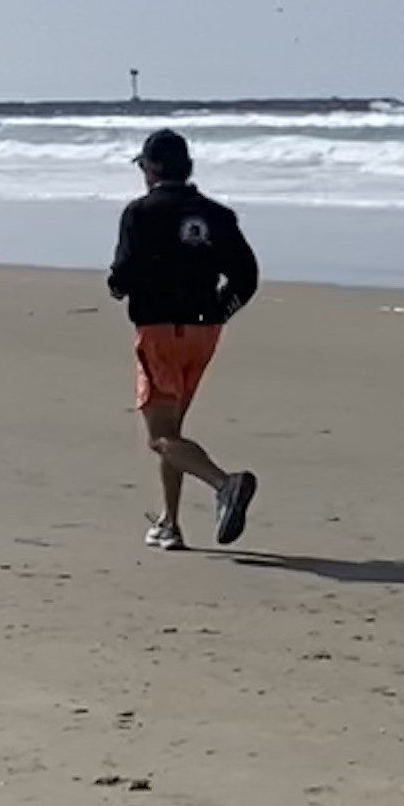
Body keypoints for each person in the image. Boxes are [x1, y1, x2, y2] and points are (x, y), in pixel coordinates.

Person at [106, 126, 260, 550]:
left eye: (143, 165)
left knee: (160, 436)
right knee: (173, 433)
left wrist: (118, 288)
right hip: (203, 332)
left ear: (152, 167)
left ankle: (224, 483)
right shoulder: (216, 215)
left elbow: (123, 273)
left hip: (159, 329)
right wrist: (219, 311)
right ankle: (169, 523)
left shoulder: (141, 212)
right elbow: (246, 276)